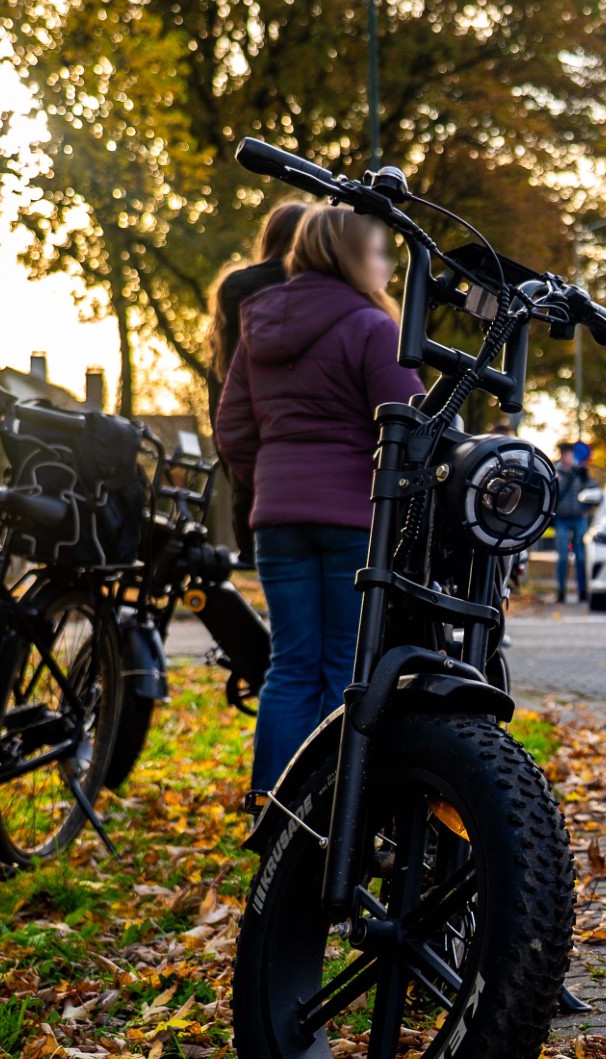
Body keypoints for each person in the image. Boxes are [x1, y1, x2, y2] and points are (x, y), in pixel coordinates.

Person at [215, 204, 425, 791]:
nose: (384, 263)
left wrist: (272, 480)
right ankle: (327, 814)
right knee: (340, 666)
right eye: (379, 251)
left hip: (278, 519)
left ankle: (270, 804)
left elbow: (232, 428)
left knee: (288, 666)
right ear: (354, 255)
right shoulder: (372, 327)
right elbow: (409, 424)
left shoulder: (255, 324)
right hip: (351, 518)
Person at [208, 201, 311, 566]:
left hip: (254, 473)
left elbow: (220, 397)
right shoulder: (327, 296)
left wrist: (238, 470)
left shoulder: (235, 293)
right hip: (321, 479)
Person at [552, 442, 594, 604]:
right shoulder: (555, 471)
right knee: (562, 557)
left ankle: (582, 591)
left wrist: (587, 507)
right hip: (562, 518)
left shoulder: (581, 471)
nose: (567, 456)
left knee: (581, 557)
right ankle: (561, 591)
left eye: (569, 453)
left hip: (579, 518)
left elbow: (592, 490)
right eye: (564, 453)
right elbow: (552, 492)